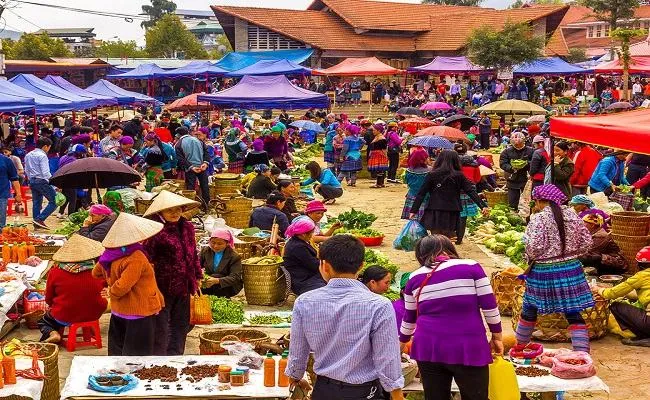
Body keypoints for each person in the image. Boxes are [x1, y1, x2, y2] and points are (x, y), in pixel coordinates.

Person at [286, 235, 404, 400]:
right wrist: (397, 395)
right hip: (365, 392)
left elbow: (298, 351)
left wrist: (295, 378)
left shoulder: (305, 302)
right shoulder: (380, 305)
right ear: (361, 266)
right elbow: (387, 357)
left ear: (324, 266)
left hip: (324, 390)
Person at [400, 235, 502, 400]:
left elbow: (409, 318)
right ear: (451, 249)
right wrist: (497, 336)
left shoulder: (414, 277)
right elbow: (489, 305)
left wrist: (402, 342)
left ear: (420, 255)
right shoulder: (471, 266)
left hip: (427, 347)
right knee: (475, 396)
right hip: (468, 345)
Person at [515, 184, 594, 353]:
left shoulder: (538, 219)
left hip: (543, 272)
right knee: (573, 312)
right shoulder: (573, 215)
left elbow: (534, 248)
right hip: (571, 269)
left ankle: (520, 348)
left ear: (540, 201)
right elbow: (587, 242)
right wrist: (569, 255)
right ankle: (582, 354)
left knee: (529, 308)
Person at [92, 212, 165, 356]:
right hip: (139, 310)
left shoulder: (109, 254)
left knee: (118, 350)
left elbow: (96, 273)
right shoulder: (135, 257)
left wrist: (110, 286)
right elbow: (123, 286)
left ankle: (119, 376)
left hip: (119, 309)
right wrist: (112, 291)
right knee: (137, 355)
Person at [143, 191, 203, 356]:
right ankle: (161, 361)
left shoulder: (187, 227)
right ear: (160, 212)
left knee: (181, 324)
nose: (175, 213)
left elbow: (193, 254)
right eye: (170, 210)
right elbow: (146, 260)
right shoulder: (154, 231)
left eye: (178, 209)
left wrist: (197, 276)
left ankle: (176, 357)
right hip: (162, 286)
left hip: (185, 284)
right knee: (161, 326)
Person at [38, 234, 107, 343]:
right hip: (95, 312)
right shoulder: (97, 270)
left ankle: (53, 333)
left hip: (66, 314)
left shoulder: (56, 272)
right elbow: (105, 285)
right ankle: (89, 329)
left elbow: (49, 298)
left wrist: (53, 306)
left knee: (44, 320)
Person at [410, 150, 488, 239]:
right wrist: (483, 206)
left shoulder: (432, 174)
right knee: (448, 238)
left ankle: (437, 251)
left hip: (435, 209)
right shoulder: (459, 175)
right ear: (456, 161)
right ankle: (445, 251)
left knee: (436, 237)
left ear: (439, 160)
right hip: (452, 210)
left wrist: (413, 210)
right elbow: (470, 191)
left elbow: (421, 193)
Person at [597, 246, 650, 347]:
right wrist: (625, 293)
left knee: (616, 306)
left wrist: (599, 289)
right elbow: (640, 293)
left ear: (640, 264)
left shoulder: (642, 276)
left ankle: (643, 336)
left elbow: (610, 294)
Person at [283, 218, 326, 295]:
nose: (312, 235)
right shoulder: (298, 247)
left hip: (308, 276)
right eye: (311, 233)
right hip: (303, 281)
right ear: (303, 234)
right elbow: (314, 265)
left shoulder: (297, 242)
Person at [200, 229, 243, 298]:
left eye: (220, 244)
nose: (215, 246)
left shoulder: (234, 256)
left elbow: (235, 277)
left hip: (228, 286)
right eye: (213, 243)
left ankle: (221, 298)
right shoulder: (205, 251)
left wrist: (217, 281)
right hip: (208, 284)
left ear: (227, 244)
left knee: (216, 275)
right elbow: (196, 266)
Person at [175, 127, 211, 209]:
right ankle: (206, 206)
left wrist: (191, 167)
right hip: (201, 167)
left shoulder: (178, 144)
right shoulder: (198, 140)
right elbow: (206, 152)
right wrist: (205, 163)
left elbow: (181, 159)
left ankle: (191, 207)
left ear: (179, 135)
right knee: (204, 186)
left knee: (190, 188)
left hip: (190, 168)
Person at [25, 137, 56, 230]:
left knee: (36, 202)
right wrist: (53, 184)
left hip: (32, 180)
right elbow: (45, 172)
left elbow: (27, 170)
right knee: (55, 201)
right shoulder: (42, 156)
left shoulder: (28, 155)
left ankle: (36, 223)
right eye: (49, 147)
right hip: (41, 180)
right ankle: (40, 219)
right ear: (45, 146)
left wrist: (30, 180)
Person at [500, 132, 534, 210]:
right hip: (512, 179)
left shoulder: (531, 150)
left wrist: (526, 164)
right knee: (512, 203)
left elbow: (534, 162)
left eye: (519, 144)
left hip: (526, 180)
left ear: (523, 141)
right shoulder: (506, 152)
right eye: (515, 144)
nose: (517, 145)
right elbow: (503, 163)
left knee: (527, 202)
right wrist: (511, 168)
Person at [456, 143, 481, 245]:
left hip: (457, 191)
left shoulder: (454, 164)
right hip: (470, 192)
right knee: (464, 216)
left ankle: (454, 234)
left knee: (456, 213)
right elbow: (477, 179)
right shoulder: (474, 164)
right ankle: (459, 238)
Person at [401, 148, 429, 221]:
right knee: (423, 219)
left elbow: (406, 181)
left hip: (412, 195)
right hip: (425, 197)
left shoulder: (408, 170)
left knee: (412, 219)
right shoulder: (429, 171)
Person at [0, 149, 21, 228]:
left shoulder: (6, 160)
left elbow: (14, 179)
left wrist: (18, 194)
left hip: (2, 195)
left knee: (1, 225)